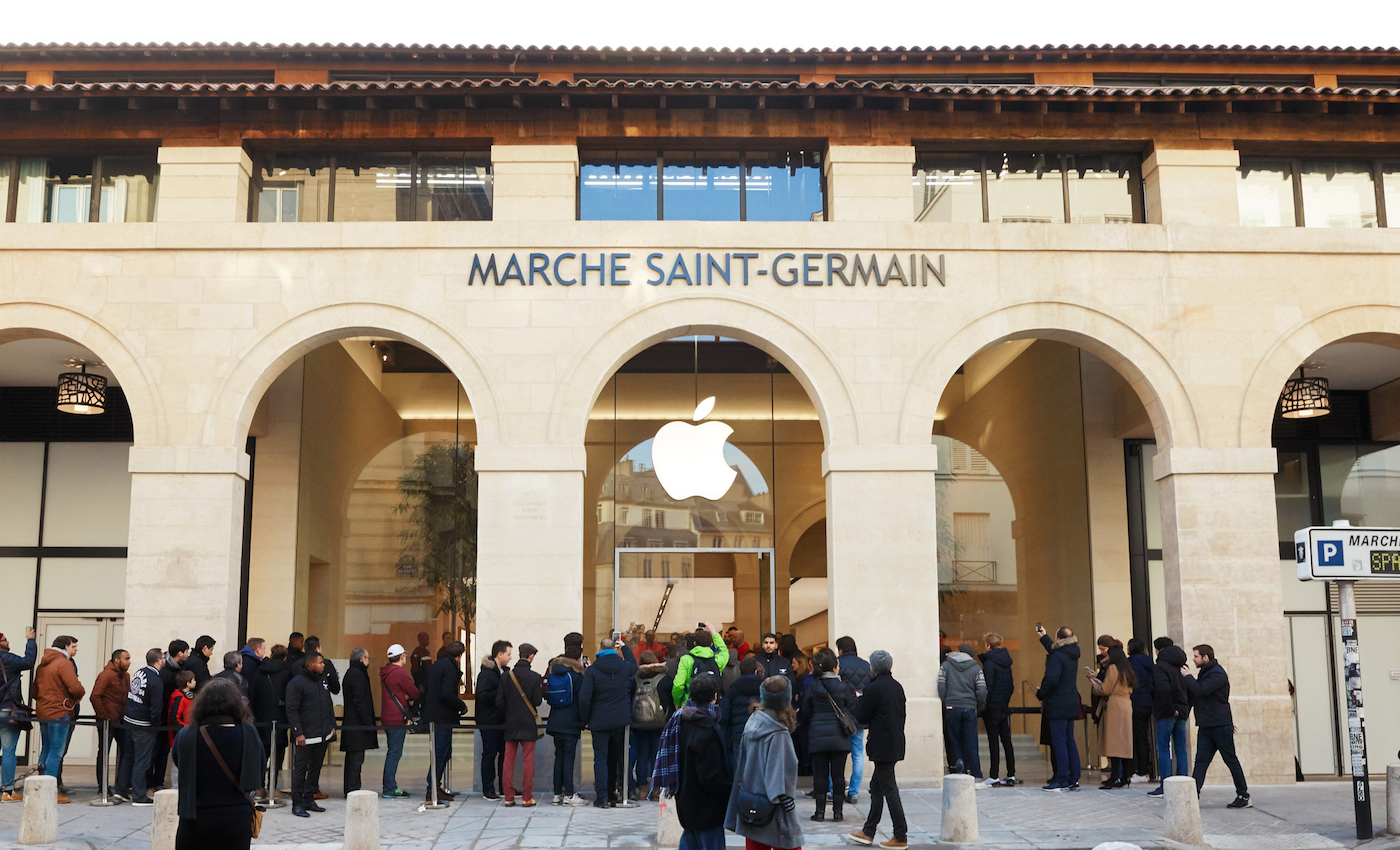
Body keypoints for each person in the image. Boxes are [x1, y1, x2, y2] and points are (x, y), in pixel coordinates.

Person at [171, 677, 264, 850]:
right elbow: (258, 769)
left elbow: (179, 761)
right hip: (236, 817)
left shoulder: (187, 735)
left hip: (195, 816)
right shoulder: (248, 732)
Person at [723, 675, 803, 850]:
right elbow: (779, 777)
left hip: (750, 802)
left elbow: (742, 765)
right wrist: (787, 806)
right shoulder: (778, 734)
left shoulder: (752, 722)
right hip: (774, 807)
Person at [845, 650, 907, 849]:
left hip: (882, 744)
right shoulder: (897, 686)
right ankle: (868, 831)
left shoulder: (873, 688)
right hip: (895, 741)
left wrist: (857, 700)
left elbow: (862, 716)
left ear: (873, 667)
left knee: (888, 788)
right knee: (877, 787)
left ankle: (900, 835)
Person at [1184, 644, 1251, 809]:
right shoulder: (1206, 672)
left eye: (1196, 656)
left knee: (1230, 759)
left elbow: (1201, 691)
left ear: (1206, 658)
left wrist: (1188, 677)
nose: (1193, 659)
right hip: (1207, 725)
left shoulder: (1217, 673)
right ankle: (1194, 794)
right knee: (1201, 760)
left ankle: (1243, 795)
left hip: (1219, 726)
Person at [675, 673, 731, 850]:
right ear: (715, 697)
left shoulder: (680, 722)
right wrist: (729, 793)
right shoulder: (708, 728)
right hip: (707, 809)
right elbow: (711, 776)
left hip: (686, 803)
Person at [580, 636, 637, 807]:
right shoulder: (624, 666)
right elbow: (634, 665)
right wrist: (625, 648)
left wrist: (585, 719)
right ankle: (621, 793)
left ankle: (603, 797)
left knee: (601, 758)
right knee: (619, 757)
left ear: (599, 649)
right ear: (615, 649)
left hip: (599, 720)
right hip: (620, 719)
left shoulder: (593, 671)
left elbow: (584, 698)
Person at [804, 648, 855, 822]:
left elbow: (806, 710)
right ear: (834, 667)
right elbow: (852, 706)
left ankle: (819, 813)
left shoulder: (813, 685)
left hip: (818, 735)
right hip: (839, 736)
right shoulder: (844, 685)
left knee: (820, 775)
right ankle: (838, 813)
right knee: (838, 775)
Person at [35, 634, 84, 803]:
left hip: (43, 711)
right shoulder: (64, 662)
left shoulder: (43, 663)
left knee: (46, 748)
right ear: (65, 647)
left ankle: (39, 787)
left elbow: (35, 690)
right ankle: (50, 792)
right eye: (73, 647)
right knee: (56, 752)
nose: (76, 650)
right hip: (59, 711)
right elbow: (75, 687)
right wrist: (79, 694)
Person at [285, 651, 335, 817]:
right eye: (321, 662)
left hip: (323, 733)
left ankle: (309, 798)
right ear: (311, 664)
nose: (323, 665)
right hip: (306, 735)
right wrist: (298, 733)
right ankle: (297, 803)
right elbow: (292, 710)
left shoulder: (322, 680)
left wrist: (331, 726)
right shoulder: (297, 683)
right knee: (300, 769)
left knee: (315, 768)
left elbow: (328, 704)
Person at [1035, 624, 1082, 792]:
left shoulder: (1057, 657)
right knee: (1069, 740)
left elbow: (1052, 679)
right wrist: (1044, 636)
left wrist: (1041, 693)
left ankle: (1061, 778)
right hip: (1070, 703)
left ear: (1059, 639)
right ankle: (1073, 778)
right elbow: (1054, 649)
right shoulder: (1072, 654)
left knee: (1060, 741)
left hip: (1058, 704)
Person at [118, 648, 166, 806]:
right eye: (163, 658)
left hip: (129, 720)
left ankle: (121, 790)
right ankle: (139, 796)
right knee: (142, 761)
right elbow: (156, 707)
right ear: (159, 661)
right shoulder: (156, 681)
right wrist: (156, 725)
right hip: (143, 725)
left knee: (128, 757)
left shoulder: (140, 672)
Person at [498, 642, 542, 806]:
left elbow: (499, 702)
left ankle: (508, 798)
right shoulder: (534, 677)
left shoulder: (506, 676)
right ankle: (526, 797)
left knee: (508, 760)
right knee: (528, 760)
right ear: (531, 656)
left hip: (510, 723)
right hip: (528, 723)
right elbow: (537, 701)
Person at [544, 639, 587, 806]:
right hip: (571, 722)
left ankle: (557, 794)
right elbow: (583, 699)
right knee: (568, 758)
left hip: (555, 720)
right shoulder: (577, 676)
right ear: (578, 659)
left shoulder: (555, 672)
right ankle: (569, 794)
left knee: (559, 757)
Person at [423, 640, 467, 802]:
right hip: (443, 716)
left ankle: (436, 787)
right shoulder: (449, 668)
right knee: (441, 752)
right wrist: (461, 705)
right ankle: (432, 789)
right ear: (460, 655)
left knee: (440, 752)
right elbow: (447, 694)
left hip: (434, 714)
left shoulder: (436, 665)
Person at [937, 642, 987, 781]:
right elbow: (982, 690)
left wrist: (946, 702)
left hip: (952, 707)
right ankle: (976, 774)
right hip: (970, 707)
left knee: (955, 742)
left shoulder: (946, 665)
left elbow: (941, 687)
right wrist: (979, 706)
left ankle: (961, 773)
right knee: (971, 742)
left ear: (958, 651)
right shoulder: (976, 668)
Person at [1088, 643, 1135, 789]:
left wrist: (1095, 684)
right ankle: (1125, 776)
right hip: (1126, 704)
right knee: (1124, 743)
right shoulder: (1127, 668)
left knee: (1114, 743)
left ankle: (1114, 777)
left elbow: (1105, 689)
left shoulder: (1113, 668)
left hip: (1114, 706)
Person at [1148, 638, 1190, 797]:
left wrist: (1171, 709)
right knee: (1180, 748)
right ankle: (1183, 784)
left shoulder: (1160, 667)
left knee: (1163, 748)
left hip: (1167, 712)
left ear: (1158, 650)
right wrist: (1184, 709)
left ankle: (1165, 785)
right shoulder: (1182, 666)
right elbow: (1190, 690)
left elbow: (1162, 689)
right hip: (1181, 711)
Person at [0, 627, 37, 802]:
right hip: (7, 710)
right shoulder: (7, 658)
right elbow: (28, 662)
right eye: (4, 640)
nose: (8, 642)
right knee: (8, 751)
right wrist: (30, 640)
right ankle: (7, 791)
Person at [379, 643, 420, 799]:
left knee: (392, 752)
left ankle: (389, 785)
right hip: (397, 718)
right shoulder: (399, 673)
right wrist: (407, 696)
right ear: (402, 656)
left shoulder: (385, 672)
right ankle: (389, 787)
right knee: (394, 753)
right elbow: (415, 692)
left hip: (387, 716)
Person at [631, 649, 673, 799]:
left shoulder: (635, 679)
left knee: (642, 755)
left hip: (639, 724)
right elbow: (671, 699)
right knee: (657, 755)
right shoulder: (665, 678)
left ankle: (642, 788)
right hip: (659, 724)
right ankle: (656, 789)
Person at [150, 639, 190, 793]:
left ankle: (158, 783)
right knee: (155, 752)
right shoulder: (165, 673)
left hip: (168, 719)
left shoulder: (179, 668)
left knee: (164, 753)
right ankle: (150, 784)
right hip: (161, 718)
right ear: (180, 653)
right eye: (186, 651)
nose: (188, 655)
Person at [835, 636, 871, 804]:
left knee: (836, 754)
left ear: (840, 649)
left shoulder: (838, 665)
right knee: (858, 753)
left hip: (841, 715)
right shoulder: (865, 665)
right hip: (860, 714)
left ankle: (835, 789)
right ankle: (854, 792)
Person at [475, 640, 511, 800]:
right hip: (489, 720)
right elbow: (482, 695)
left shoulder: (504, 672)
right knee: (489, 754)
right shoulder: (486, 674)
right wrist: (501, 692)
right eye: (509, 654)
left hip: (502, 720)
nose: (511, 658)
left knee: (504, 753)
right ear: (500, 654)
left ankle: (505, 787)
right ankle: (488, 789)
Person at [979, 633, 1016, 787]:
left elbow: (988, 686)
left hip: (992, 707)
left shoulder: (989, 663)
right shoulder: (1007, 663)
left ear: (988, 646)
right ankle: (1011, 773)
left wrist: (984, 706)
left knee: (993, 741)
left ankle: (994, 774)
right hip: (1004, 706)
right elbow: (1011, 686)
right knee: (1006, 741)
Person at [92, 649, 131, 795]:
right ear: (117, 660)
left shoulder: (126, 676)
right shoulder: (106, 675)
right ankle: (102, 786)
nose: (129, 661)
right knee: (104, 752)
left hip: (121, 720)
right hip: (108, 721)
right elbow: (95, 696)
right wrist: (104, 716)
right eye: (126, 659)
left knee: (126, 751)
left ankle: (121, 785)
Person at [339, 647, 378, 795]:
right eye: (367, 658)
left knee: (353, 759)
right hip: (357, 725)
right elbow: (360, 701)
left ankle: (351, 788)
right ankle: (352, 789)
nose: (368, 661)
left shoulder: (353, 673)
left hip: (354, 724)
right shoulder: (357, 675)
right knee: (355, 760)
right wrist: (368, 723)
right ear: (362, 659)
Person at [672, 624, 729, 707]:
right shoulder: (717, 660)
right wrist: (714, 632)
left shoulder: (686, 659)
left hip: (690, 706)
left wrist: (677, 702)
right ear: (711, 645)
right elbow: (723, 650)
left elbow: (678, 685)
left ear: (695, 643)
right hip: (711, 706)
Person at [721, 656, 764, 766]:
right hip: (760, 731)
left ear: (740, 672)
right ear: (756, 671)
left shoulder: (733, 688)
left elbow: (725, 715)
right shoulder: (764, 687)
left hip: (739, 732)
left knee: (739, 767)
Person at [1126, 638, 1156, 782]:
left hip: (1136, 703)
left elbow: (1134, 684)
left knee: (1138, 737)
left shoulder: (1132, 663)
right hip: (1147, 702)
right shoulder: (1149, 662)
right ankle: (1146, 768)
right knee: (1144, 736)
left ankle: (1142, 770)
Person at [167, 670, 196, 784]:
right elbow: (174, 719)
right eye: (193, 680)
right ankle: (176, 787)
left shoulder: (187, 697)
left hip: (186, 733)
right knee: (177, 765)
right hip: (179, 736)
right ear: (188, 683)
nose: (195, 682)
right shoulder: (179, 698)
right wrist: (186, 729)